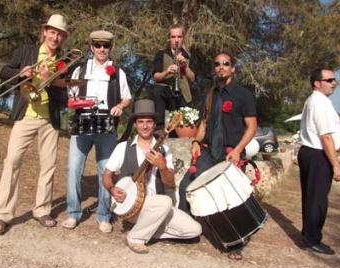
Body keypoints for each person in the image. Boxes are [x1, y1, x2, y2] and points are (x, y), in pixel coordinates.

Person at [0, 14, 69, 235]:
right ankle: (3, 214)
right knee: (12, 161)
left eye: (59, 34)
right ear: (45, 32)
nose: (55, 37)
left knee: (48, 166)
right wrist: (20, 73)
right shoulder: (27, 51)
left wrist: (49, 80)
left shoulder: (63, 62)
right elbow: (4, 72)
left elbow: (64, 98)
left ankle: (42, 210)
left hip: (49, 120)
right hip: (26, 116)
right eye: (52, 32)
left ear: (63, 38)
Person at [103, 99, 202, 254]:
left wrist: (161, 165)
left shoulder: (165, 150)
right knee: (166, 202)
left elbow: (169, 184)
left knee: (194, 230)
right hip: (132, 207)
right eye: (140, 121)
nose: (144, 126)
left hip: (157, 207)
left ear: (155, 124)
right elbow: (107, 175)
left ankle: (147, 230)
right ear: (135, 124)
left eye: (149, 122)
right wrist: (112, 188)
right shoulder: (122, 148)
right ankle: (135, 237)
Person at [61, 30, 131, 233]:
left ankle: (103, 215)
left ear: (111, 48)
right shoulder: (79, 70)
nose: (102, 49)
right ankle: (73, 213)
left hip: (107, 125)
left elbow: (127, 97)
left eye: (106, 45)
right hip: (82, 123)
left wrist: (120, 106)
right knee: (74, 169)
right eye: (98, 45)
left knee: (105, 171)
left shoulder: (118, 72)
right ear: (91, 47)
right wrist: (75, 103)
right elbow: (71, 95)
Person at [178, 52, 257, 214]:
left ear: (233, 68)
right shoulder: (210, 94)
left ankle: (236, 238)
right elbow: (205, 122)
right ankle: (185, 229)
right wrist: (195, 142)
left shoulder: (244, 95)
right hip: (208, 153)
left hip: (231, 154)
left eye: (226, 63)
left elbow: (252, 127)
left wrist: (237, 150)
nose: (221, 67)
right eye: (217, 64)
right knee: (186, 187)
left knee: (233, 198)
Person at [298, 67, 340, 255]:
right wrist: (336, 165)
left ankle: (309, 234)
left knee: (312, 197)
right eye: (330, 79)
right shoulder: (320, 103)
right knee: (317, 200)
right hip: (317, 154)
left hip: (312, 153)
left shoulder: (316, 101)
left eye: (334, 79)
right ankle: (312, 239)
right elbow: (326, 137)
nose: (334, 83)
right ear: (317, 83)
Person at [151, 23, 196, 130]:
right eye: (173, 37)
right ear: (169, 38)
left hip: (183, 94)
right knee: (157, 90)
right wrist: (166, 72)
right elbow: (155, 77)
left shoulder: (188, 56)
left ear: (183, 38)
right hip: (166, 92)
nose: (176, 40)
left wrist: (185, 67)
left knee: (185, 127)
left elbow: (193, 78)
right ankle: (160, 128)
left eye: (179, 37)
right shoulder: (161, 54)